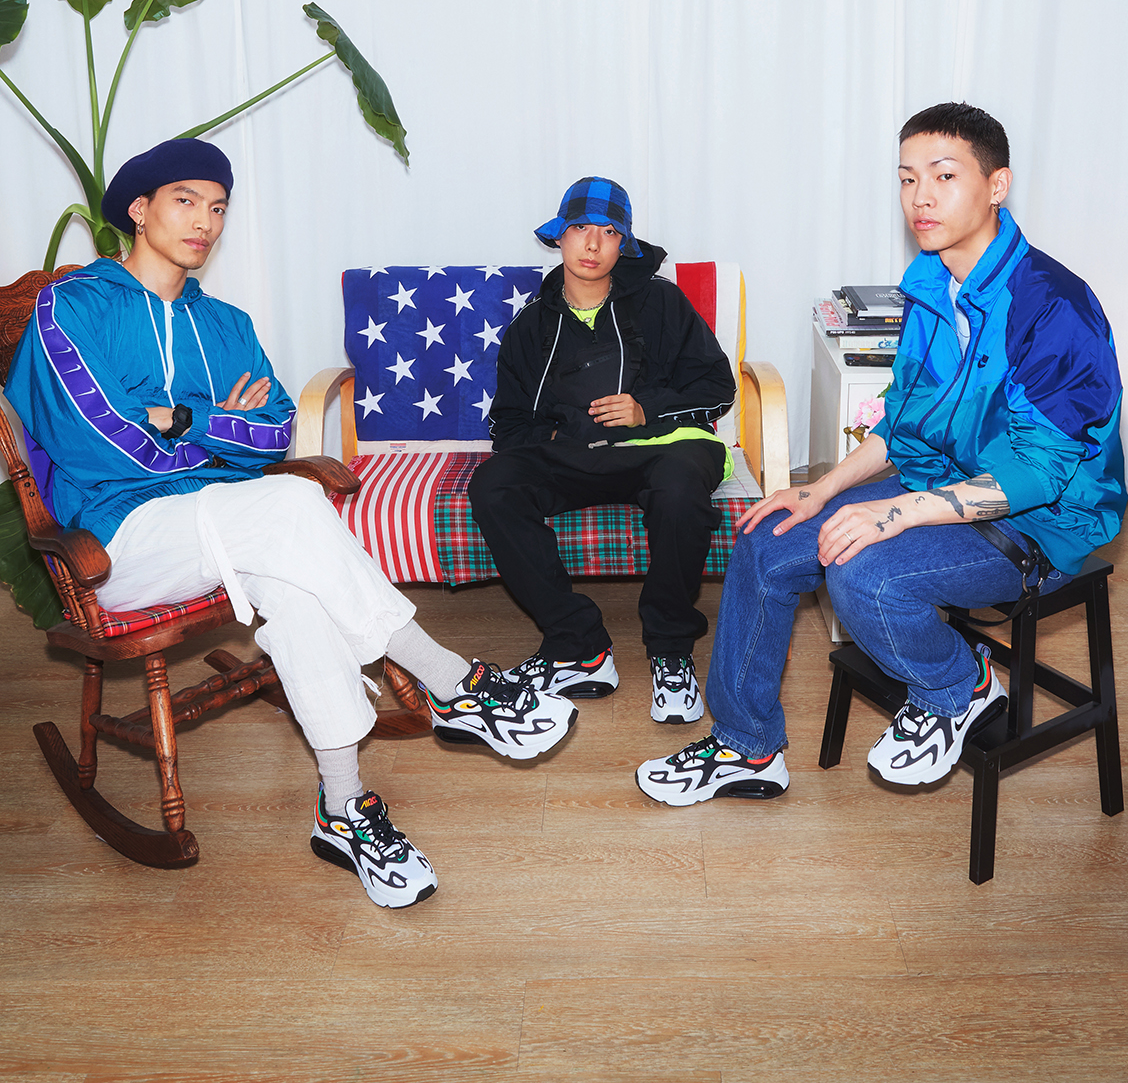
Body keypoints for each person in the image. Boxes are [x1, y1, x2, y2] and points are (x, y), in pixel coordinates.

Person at [6, 138, 575, 908]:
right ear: (138, 209)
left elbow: (274, 432)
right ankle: (451, 680)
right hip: (118, 541)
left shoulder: (229, 324)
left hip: (234, 528)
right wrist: (216, 429)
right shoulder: (72, 307)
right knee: (290, 504)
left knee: (299, 587)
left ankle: (343, 806)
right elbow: (95, 437)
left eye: (218, 208)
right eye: (185, 201)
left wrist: (180, 418)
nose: (205, 222)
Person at [637, 103, 1125, 805]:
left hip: (1039, 524)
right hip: (942, 484)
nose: (920, 196)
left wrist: (897, 512)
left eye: (944, 175)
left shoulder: (1053, 306)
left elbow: (1038, 473)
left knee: (862, 572)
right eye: (906, 178)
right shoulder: (930, 284)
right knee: (767, 536)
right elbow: (902, 421)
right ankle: (747, 745)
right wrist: (822, 489)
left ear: (996, 185)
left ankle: (961, 685)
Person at [468, 178, 737, 724]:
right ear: (559, 238)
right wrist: (550, 441)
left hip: (666, 446)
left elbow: (718, 385)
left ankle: (671, 651)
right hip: (577, 456)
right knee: (494, 484)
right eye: (580, 229)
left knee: (680, 488)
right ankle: (579, 645)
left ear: (624, 244)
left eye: (609, 232)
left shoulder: (660, 300)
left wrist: (646, 408)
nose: (592, 244)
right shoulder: (529, 327)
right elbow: (509, 421)